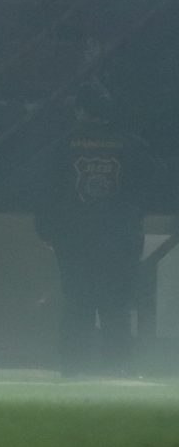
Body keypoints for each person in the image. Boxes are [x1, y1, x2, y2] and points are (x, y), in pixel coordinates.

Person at [39, 86, 149, 376]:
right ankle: (118, 369)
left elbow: (47, 192)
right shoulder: (132, 145)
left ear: (80, 110)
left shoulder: (63, 146)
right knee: (116, 309)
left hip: (75, 241)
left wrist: (47, 231)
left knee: (78, 306)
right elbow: (153, 187)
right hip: (120, 240)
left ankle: (73, 370)